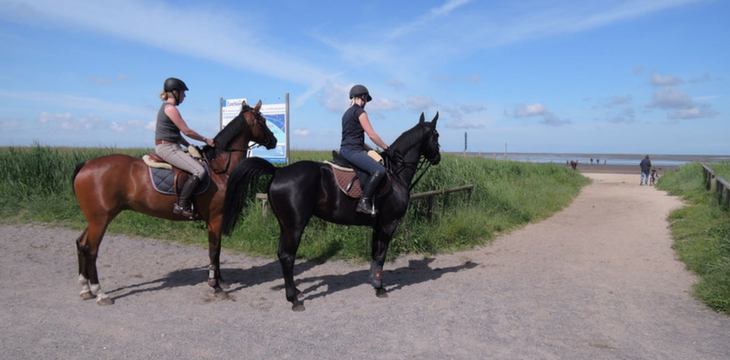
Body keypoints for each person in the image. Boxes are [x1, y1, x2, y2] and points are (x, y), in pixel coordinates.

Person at [155, 77, 215, 219]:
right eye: (183, 93)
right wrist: (206, 140)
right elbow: (187, 131)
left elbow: (176, 134)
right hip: (167, 148)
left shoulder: (167, 108)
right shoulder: (170, 109)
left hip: (170, 144)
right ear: (175, 93)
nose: (185, 96)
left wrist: (189, 146)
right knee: (199, 170)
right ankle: (182, 205)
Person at [339, 84, 389, 216]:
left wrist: (371, 150)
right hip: (353, 151)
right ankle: (364, 202)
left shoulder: (346, 114)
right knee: (379, 170)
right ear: (363, 97)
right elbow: (371, 134)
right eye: (366, 99)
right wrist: (386, 147)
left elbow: (355, 138)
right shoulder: (360, 112)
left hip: (345, 150)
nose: (366, 102)